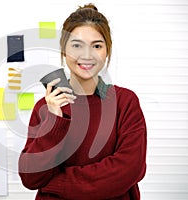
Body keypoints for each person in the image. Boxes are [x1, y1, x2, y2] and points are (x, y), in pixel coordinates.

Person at [18, 3, 147, 200]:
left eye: (96, 46)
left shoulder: (125, 102)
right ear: (63, 51)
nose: (87, 55)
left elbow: (129, 169)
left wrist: (57, 183)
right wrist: (54, 121)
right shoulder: (46, 107)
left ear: (107, 51)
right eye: (77, 45)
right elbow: (31, 178)